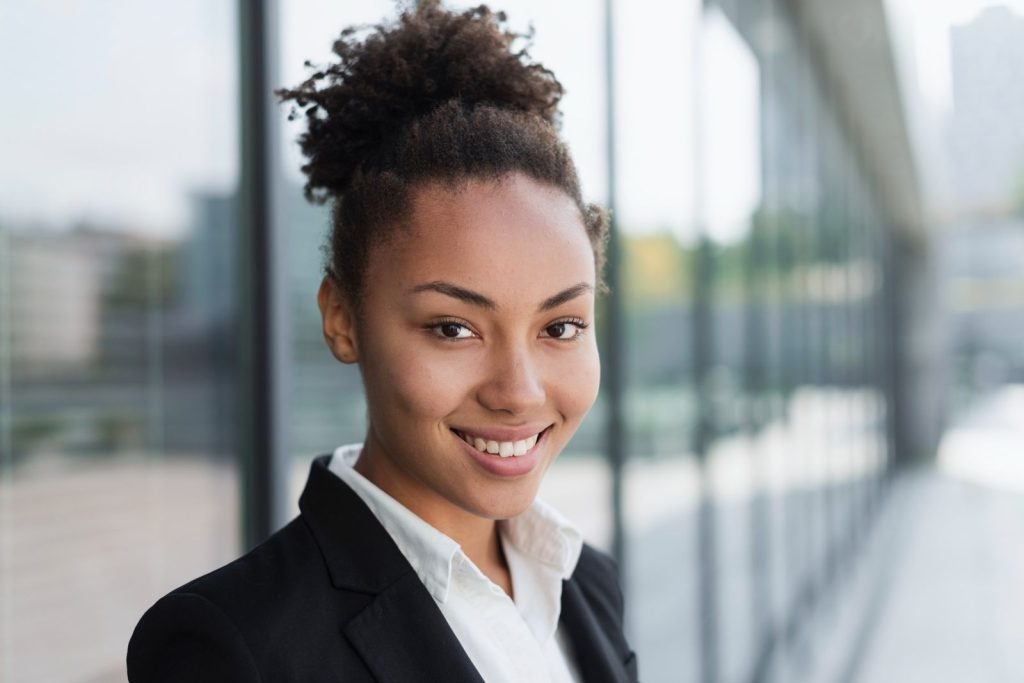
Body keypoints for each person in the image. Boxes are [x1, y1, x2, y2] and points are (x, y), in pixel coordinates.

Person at [127, 2, 637, 681]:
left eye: (560, 327)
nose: (519, 391)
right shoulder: (231, 645)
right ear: (342, 318)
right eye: (453, 328)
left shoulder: (588, 583)